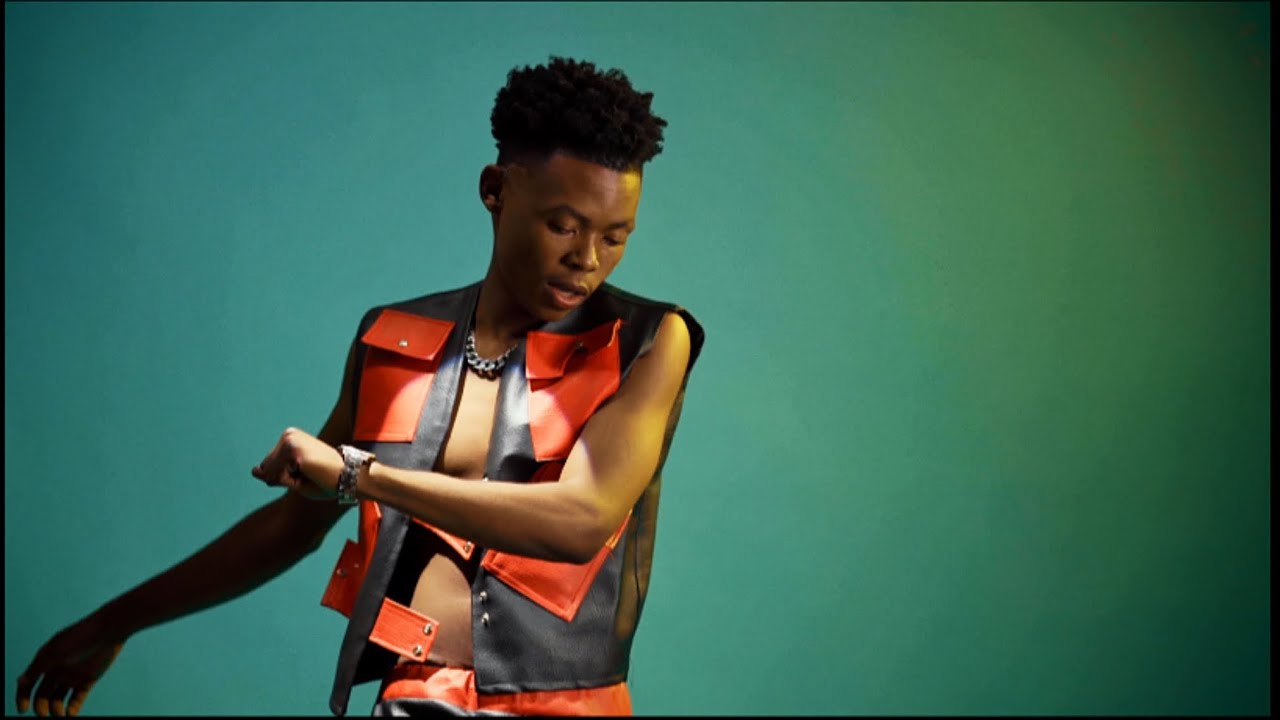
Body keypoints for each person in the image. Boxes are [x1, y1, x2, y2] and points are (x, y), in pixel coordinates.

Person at [15, 55, 704, 717]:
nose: (587, 259)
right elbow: (292, 525)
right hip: (410, 700)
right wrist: (113, 622)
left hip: (565, 707)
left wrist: (360, 477)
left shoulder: (647, 341)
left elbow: (582, 519)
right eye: (564, 226)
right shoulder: (394, 339)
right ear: (496, 189)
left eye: (616, 236)